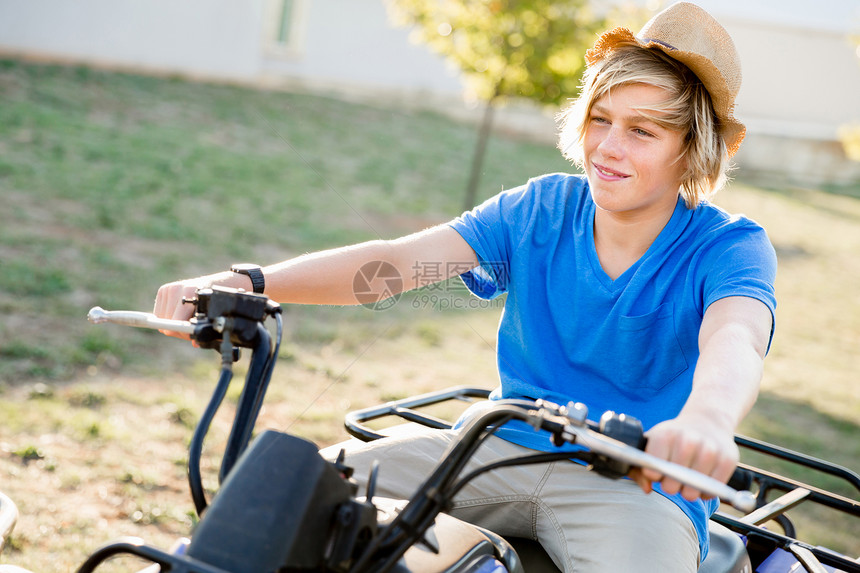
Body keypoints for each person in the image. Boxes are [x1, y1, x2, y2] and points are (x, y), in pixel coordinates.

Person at [153, 2, 776, 571]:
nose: (608, 148)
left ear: (691, 148)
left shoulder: (728, 247)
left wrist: (707, 422)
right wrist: (252, 281)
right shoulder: (540, 210)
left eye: (642, 131)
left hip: (638, 485)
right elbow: (396, 265)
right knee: (281, 501)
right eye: (601, 119)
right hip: (495, 447)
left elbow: (736, 339)